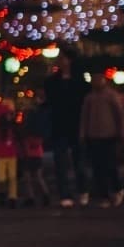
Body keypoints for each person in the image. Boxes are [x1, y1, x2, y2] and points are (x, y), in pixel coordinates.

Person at [44, 55, 90, 208]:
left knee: (79, 161)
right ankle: (65, 193)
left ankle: (83, 190)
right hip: (59, 125)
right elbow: (49, 102)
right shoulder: (52, 82)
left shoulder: (80, 81)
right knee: (60, 162)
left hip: (76, 125)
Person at [81, 73, 124, 207]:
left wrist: (122, 132)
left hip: (109, 134)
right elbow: (85, 117)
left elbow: (120, 115)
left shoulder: (111, 95)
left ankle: (116, 189)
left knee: (110, 164)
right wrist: (83, 133)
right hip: (94, 135)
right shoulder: (90, 97)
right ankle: (104, 194)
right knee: (98, 166)